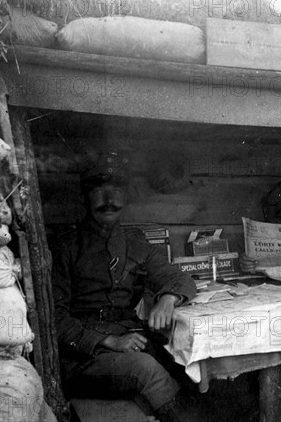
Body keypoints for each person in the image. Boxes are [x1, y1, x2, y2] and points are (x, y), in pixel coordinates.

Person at [51, 153, 200, 422]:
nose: (109, 200)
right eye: (99, 191)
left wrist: (168, 298)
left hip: (132, 341)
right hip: (83, 357)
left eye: (116, 191)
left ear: (126, 198)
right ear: (84, 197)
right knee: (147, 370)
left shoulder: (135, 243)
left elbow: (181, 279)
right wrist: (110, 341)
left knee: (188, 367)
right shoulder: (64, 248)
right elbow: (54, 317)